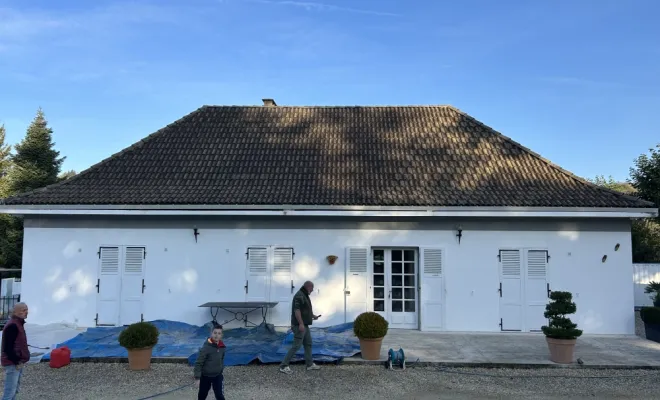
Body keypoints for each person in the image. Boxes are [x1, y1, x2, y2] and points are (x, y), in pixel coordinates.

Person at [279, 281, 321, 374]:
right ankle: (284, 366)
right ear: (308, 287)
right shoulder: (299, 295)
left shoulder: (304, 295)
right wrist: (301, 324)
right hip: (299, 325)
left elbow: (305, 311)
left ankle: (309, 365)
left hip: (304, 325)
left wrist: (313, 316)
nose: (312, 290)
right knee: (296, 346)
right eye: (312, 288)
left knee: (308, 343)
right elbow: (297, 311)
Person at [1, 302, 29, 400]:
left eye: (26, 309)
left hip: (17, 362)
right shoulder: (13, 325)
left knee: (14, 390)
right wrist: (16, 361)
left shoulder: (18, 324)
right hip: (13, 363)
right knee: (9, 392)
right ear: (16, 312)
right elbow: (7, 348)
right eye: (23, 310)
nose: (26, 312)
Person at [194, 324, 226, 400]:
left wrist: (221, 370)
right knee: (202, 395)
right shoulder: (206, 347)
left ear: (221, 335)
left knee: (219, 395)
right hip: (205, 376)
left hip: (217, 376)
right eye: (215, 333)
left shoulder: (222, 347)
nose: (216, 335)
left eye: (219, 333)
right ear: (211, 333)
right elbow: (199, 363)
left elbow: (221, 359)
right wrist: (197, 378)